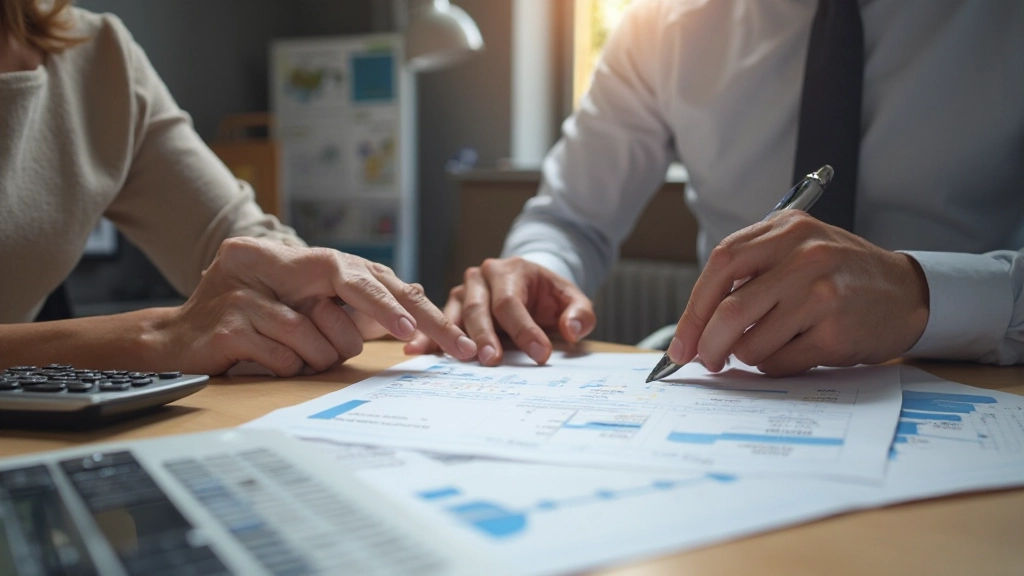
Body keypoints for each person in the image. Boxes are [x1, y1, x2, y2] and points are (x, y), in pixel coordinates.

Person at [408, 0, 1024, 376]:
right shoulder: (660, 25)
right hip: (736, 383)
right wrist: (535, 268)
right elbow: (571, 219)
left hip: (979, 381)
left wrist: (923, 295)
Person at [0, 0, 478, 374]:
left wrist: (324, 292)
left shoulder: (97, 56)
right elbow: (175, 334)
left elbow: (239, 238)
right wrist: (160, 336)